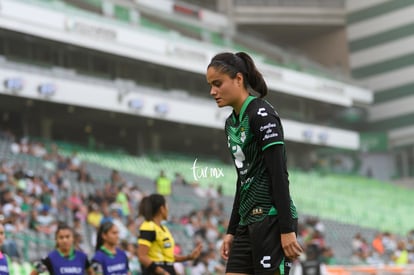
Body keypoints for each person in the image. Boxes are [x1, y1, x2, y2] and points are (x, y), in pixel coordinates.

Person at [206, 52, 303, 275]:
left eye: (218, 84)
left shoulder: (262, 114)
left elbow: (279, 174)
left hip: (271, 219)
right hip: (245, 223)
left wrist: (286, 229)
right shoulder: (231, 123)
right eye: (210, 85)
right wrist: (231, 230)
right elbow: (243, 178)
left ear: (238, 79)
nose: (212, 91)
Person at [137, 194, 202, 275]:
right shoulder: (148, 227)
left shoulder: (164, 229)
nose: (168, 209)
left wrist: (188, 257)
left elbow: (168, 257)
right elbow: (142, 256)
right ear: (162, 209)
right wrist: (162, 272)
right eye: (166, 206)